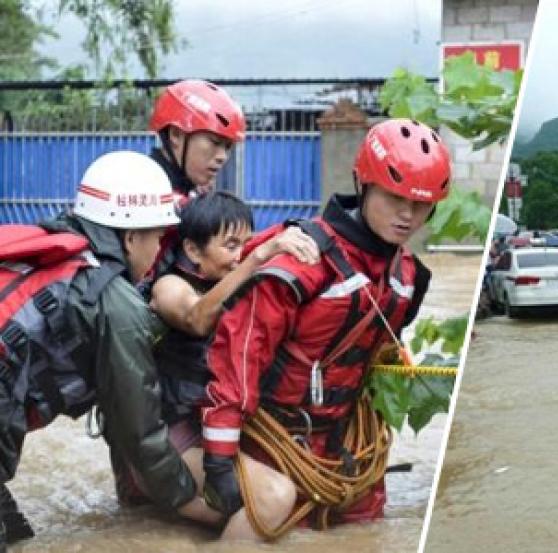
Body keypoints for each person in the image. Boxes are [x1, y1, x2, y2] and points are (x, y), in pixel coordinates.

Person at [199, 119, 447, 536]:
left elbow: (380, 363)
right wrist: (219, 460)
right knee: (270, 521)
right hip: (272, 441)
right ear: (363, 184)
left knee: (368, 532)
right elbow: (237, 357)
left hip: (344, 450)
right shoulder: (302, 259)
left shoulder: (409, 278)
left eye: (420, 206)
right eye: (394, 197)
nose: (407, 215)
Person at [0, 152, 204, 545]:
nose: (160, 250)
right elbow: (138, 429)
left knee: (18, 534)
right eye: (158, 237)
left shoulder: (58, 250)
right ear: (130, 237)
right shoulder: (116, 304)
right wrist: (184, 495)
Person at [118, 192, 320, 539]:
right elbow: (196, 318)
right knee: (275, 498)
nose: (239, 254)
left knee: (300, 499)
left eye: (245, 243)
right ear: (193, 250)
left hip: (210, 435)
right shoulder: (168, 286)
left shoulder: (238, 282)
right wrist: (258, 257)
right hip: (165, 444)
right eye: (229, 245)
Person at [148, 80, 246, 199]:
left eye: (228, 147)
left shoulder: (188, 195)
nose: (222, 157)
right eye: (215, 142)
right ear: (176, 134)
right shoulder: (143, 194)